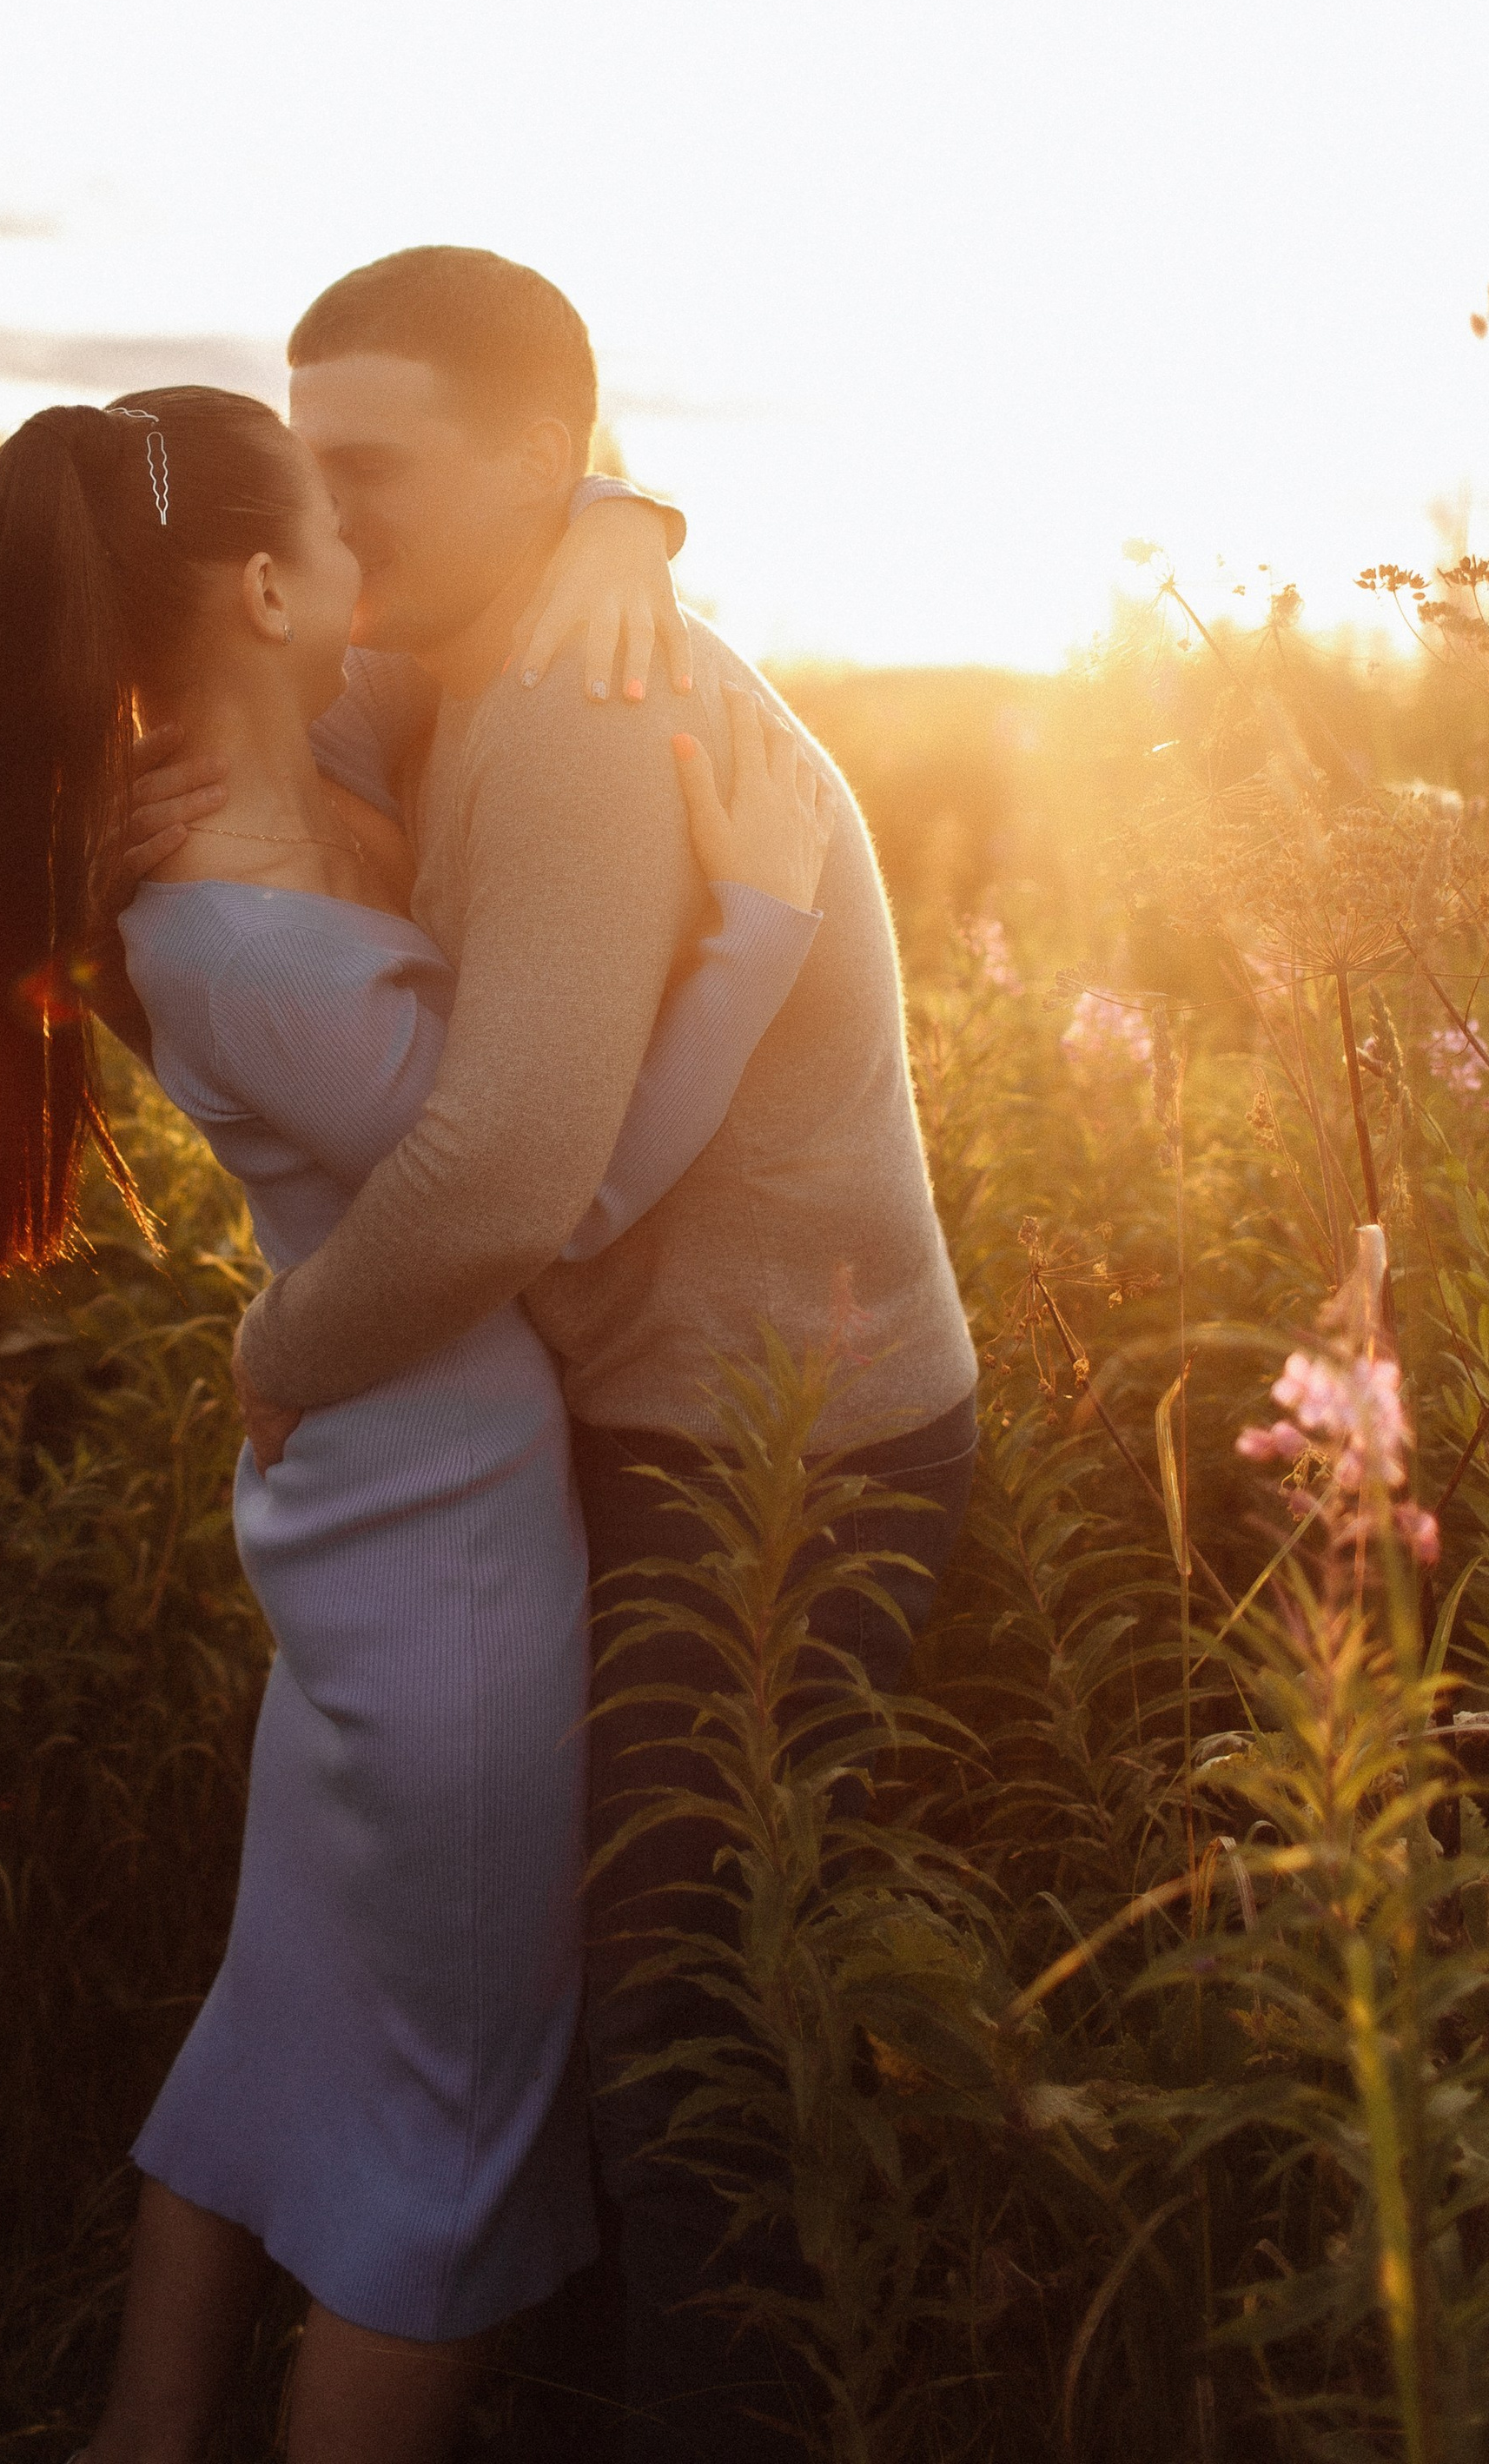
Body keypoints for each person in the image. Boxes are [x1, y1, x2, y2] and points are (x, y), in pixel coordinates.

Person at [0, 385, 832, 2464]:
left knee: (292, 2015)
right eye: (334, 522)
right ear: (258, 584)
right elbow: (548, 1193)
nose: (374, 559)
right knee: (455, 2144)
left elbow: (512, 524)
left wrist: (616, 520)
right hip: (453, 1556)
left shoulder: (264, 786)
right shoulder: (248, 935)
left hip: (374, 1510)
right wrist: (757, 924)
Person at [194, 248, 982, 2458]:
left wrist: (284, 1341)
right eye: (298, 472)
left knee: (676, 2004)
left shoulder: (570, 707)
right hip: (621, 1418)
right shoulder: (446, 645)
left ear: (534, 463)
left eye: (366, 473)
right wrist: (629, 506)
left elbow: (507, 1179)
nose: (318, 527)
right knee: (576, 1969)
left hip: (781, 1454)